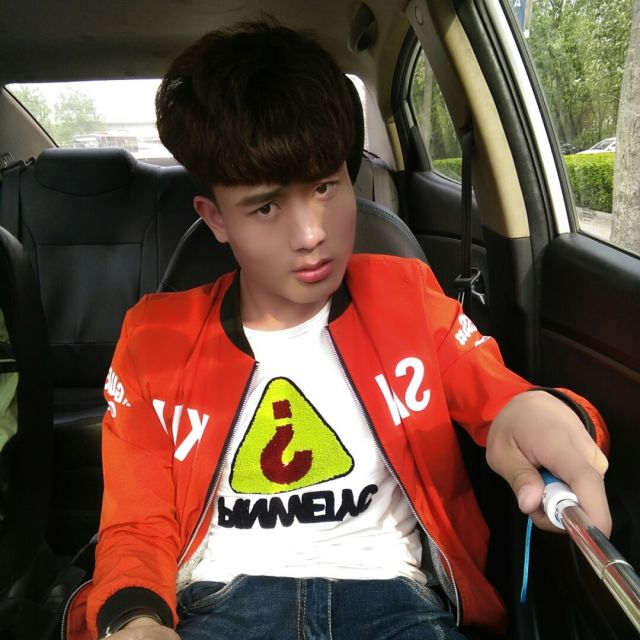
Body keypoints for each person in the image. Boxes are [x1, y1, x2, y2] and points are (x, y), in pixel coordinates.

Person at [65, 19, 610, 640]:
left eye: (326, 186)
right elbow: (136, 524)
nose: (310, 234)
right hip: (220, 605)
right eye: (266, 206)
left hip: (398, 605)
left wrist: (541, 412)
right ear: (215, 219)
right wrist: (136, 621)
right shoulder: (154, 340)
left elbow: (504, 400)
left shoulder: (408, 299)